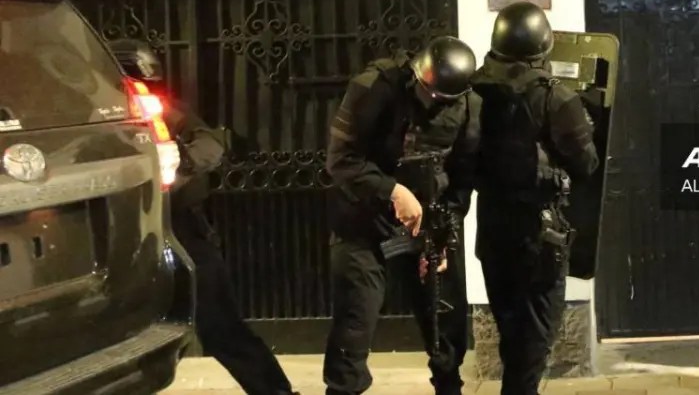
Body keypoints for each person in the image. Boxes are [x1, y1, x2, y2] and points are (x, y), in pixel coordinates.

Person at [108, 39, 297, 395]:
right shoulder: (101, 118)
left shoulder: (160, 112)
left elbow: (210, 143)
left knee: (221, 326)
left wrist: (179, 163)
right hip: (126, 237)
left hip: (180, 230)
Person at [322, 36, 481, 395]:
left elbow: (462, 181)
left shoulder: (470, 107)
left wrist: (442, 240)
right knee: (354, 324)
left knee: (445, 325)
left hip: (428, 223)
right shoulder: (375, 87)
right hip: (364, 220)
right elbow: (340, 160)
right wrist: (392, 191)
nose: (431, 104)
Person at [470, 1, 599, 395]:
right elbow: (587, 164)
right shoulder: (556, 98)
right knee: (536, 339)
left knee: (512, 333)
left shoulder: (474, 90)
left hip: (492, 231)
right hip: (539, 238)